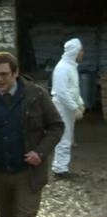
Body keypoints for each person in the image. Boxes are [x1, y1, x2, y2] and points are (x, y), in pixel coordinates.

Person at [0, 52, 64, 217]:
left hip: (28, 173)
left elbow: (57, 126)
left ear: (15, 73)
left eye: (4, 74)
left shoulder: (36, 94)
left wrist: (40, 152)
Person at [51, 38, 85, 179]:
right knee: (63, 137)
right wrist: (74, 107)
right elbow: (61, 92)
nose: (83, 53)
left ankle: (62, 167)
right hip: (62, 107)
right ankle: (59, 169)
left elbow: (73, 89)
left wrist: (80, 103)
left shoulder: (70, 66)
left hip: (67, 107)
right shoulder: (63, 68)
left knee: (67, 137)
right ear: (75, 51)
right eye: (81, 51)